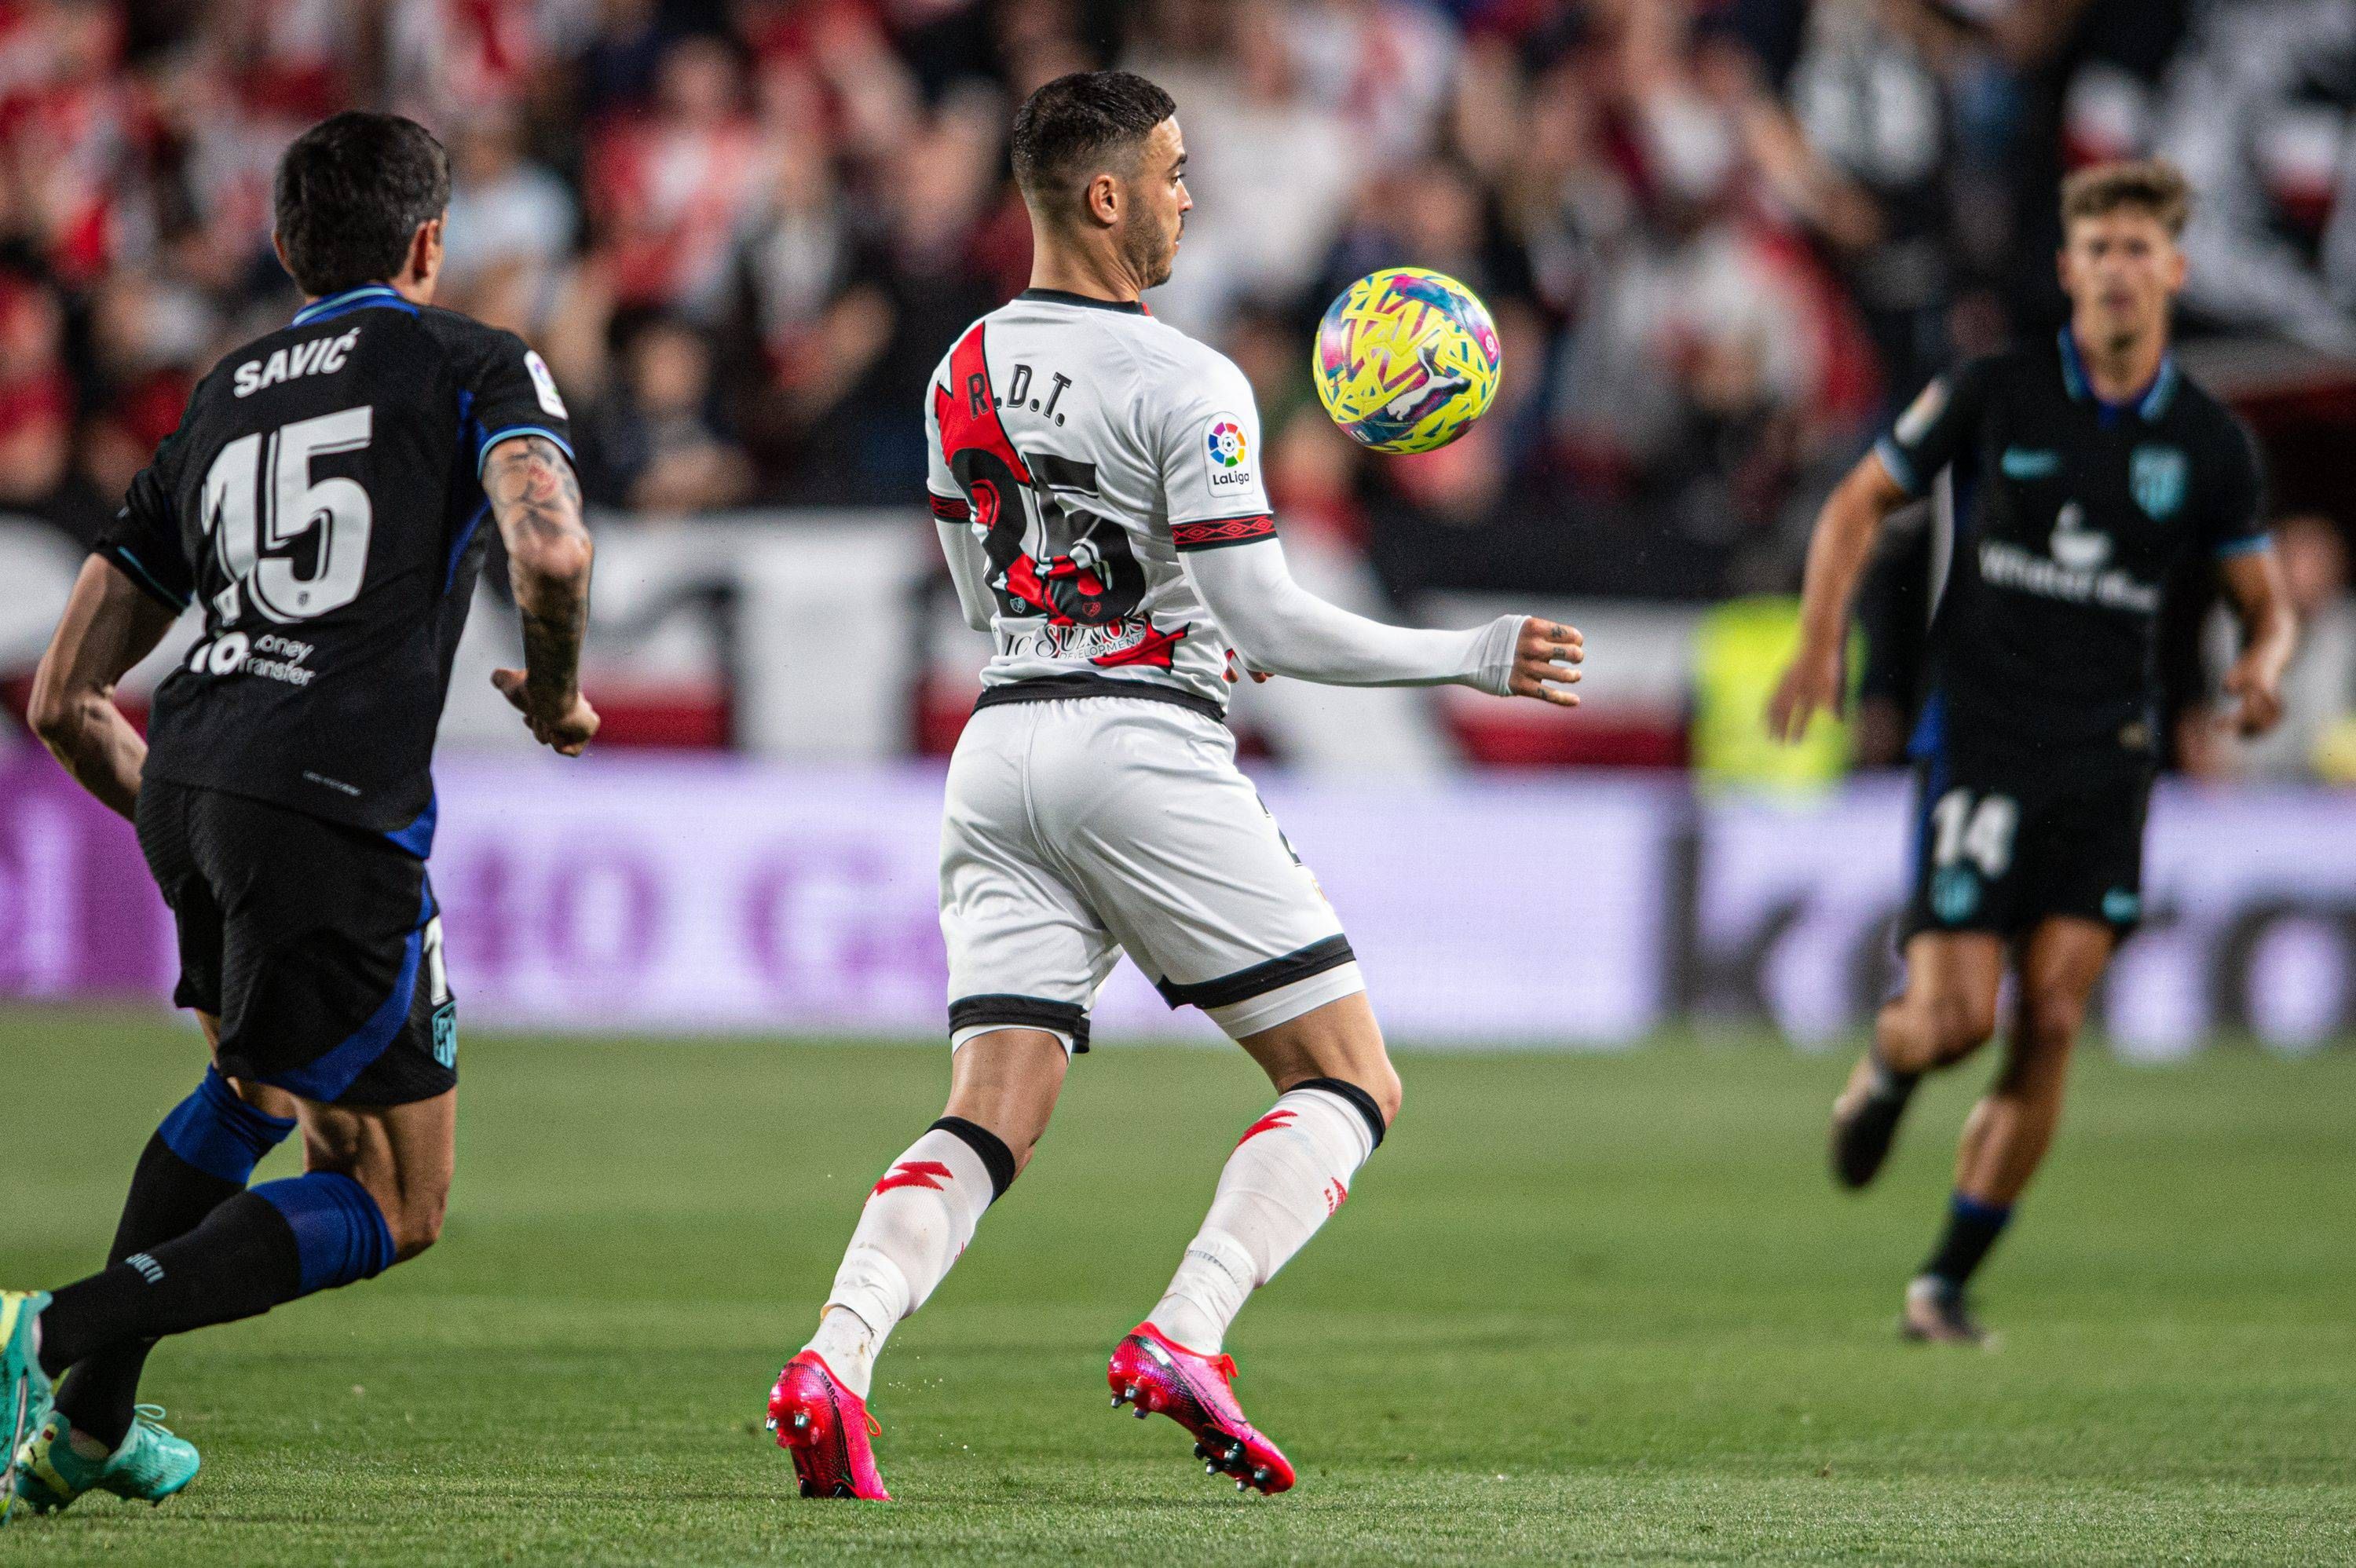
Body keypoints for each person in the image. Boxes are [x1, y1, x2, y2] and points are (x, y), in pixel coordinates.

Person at [763, 70, 1580, 1500]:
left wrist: (1154, 616)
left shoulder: (960, 366)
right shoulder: (1186, 379)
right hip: (1137, 751)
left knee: (992, 1110)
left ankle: (835, 1354)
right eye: (1174, 172)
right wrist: (1473, 654)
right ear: (1106, 195)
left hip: (1001, 748)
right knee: (1349, 1076)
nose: (1189, 198)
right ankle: (1187, 1330)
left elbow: (985, 595)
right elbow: (1268, 622)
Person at [2, 111, 596, 1521]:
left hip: (193, 772)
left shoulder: (220, 395)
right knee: (397, 1194)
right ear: (431, 243)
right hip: (328, 801)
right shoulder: (473, 359)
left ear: (284, 246)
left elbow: (65, 699)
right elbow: (554, 550)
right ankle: (46, 1330)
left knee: (251, 1094)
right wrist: (558, 693)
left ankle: (88, 1427)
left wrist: (206, 817)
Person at [1766, 158, 2296, 1344]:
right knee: (1955, 1021)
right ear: (2068, 269)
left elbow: (2264, 603)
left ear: (2174, 270)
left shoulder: (2209, 443)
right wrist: (1821, 641)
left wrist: (2263, 665)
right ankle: (1888, 1067)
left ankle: (1942, 1284)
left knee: (2053, 1016)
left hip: (2108, 757)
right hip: (1983, 742)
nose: (2116, 269)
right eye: (2097, 249)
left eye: (2136, 248)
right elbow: (1858, 503)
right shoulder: (1994, 391)